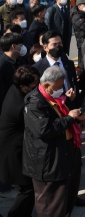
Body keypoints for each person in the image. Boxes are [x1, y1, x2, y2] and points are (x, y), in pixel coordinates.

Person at [23, 66, 85, 217]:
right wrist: (70, 118)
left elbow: (62, 121)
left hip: (65, 154)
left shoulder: (56, 99)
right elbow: (45, 130)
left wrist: (76, 119)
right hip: (49, 162)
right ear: (46, 85)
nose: (61, 90)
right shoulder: (35, 103)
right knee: (51, 205)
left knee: (66, 200)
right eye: (58, 87)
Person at [0, 65, 39, 217]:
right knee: (28, 188)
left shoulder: (16, 89)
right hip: (13, 151)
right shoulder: (20, 105)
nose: (38, 84)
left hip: (15, 146)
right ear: (23, 86)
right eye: (35, 83)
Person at [0, 33, 27, 112]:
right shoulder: (2, 66)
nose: (23, 48)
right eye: (21, 45)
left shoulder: (19, 62)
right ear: (13, 46)